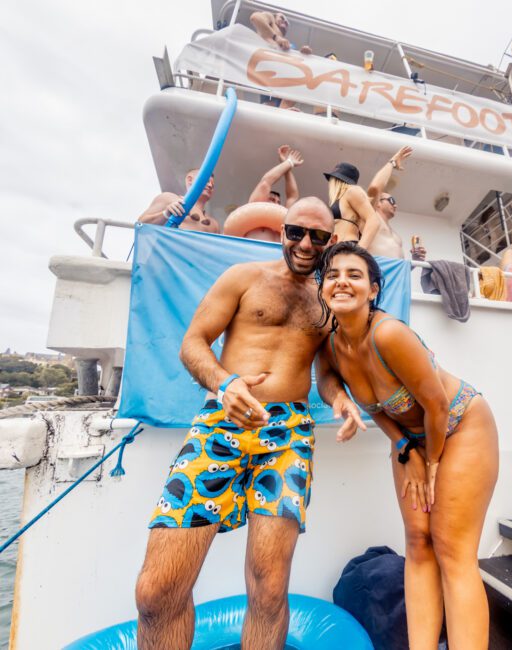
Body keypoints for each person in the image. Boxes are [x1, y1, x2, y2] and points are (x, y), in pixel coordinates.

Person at [135, 198, 364, 650]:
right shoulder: (243, 277)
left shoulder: (327, 303)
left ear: (331, 242)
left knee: (269, 587)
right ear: (283, 229)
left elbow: (328, 371)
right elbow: (193, 343)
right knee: (157, 591)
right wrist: (225, 384)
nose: (305, 244)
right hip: (223, 421)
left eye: (318, 237)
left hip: (289, 433)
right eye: (297, 232)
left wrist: (340, 399)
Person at [315, 241, 499, 649]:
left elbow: (435, 404)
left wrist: (430, 462)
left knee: (451, 549)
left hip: (459, 423)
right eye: (332, 275)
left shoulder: (390, 335)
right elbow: (327, 378)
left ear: (374, 290)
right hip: (411, 439)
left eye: (354, 275)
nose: (342, 281)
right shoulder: (332, 345)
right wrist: (345, 403)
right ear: (323, 288)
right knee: (417, 543)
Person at [250, 12, 311, 109]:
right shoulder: (268, 26)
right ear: (274, 19)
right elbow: (255, 17)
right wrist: (276, 37)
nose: (285, 21)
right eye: (282, 17)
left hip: (284, 92)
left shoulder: (289, 46)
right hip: (268, 80)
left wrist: (304, 54)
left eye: (287, 22)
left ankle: (283, 108)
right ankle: (272, 109)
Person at [366, 146, 414, 259]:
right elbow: (375, 187)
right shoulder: (372, 218)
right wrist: (392, 162)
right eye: (392, 201)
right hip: (378, 274)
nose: (395, 205)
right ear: (378, 203)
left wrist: (416, 259)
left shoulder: (397, 236)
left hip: (398, 276)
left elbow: (400, 267)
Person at [137, 169, 220, 234]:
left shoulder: (214, 224)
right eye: (206, 181)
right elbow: (141, 225)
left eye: (213, 185)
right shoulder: (169, 199)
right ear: (190, 180)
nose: (210, 185)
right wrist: (165, 214)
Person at [324, 162, 382, 249]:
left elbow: (374, 221)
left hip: (346, 248)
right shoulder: (341, 197)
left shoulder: (352, 191)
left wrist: (359, 251)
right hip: (333, 248)